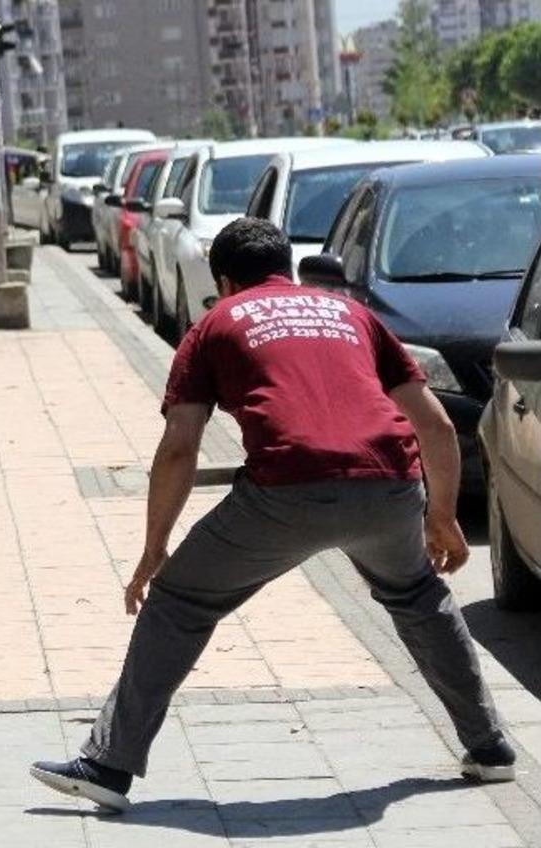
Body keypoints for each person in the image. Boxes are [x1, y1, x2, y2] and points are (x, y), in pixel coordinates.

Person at [30, 218, 515, 812]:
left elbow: (180, 446)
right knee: (417, 595)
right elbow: (436, 425)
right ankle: (490, 748)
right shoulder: (351, 313)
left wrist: (155, 548)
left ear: (225, 281)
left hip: (287, 490)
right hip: (389, 485)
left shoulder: (214, 325)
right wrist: (440, 514)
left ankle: (108, 765)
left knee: (180, 601)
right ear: (287, 267)